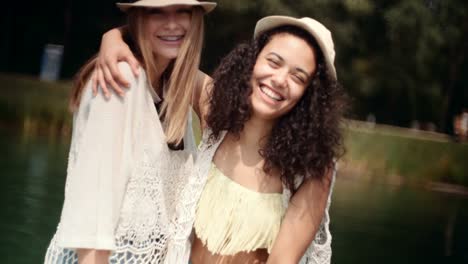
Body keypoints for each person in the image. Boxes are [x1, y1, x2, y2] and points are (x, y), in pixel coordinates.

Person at [97, 15, 346, 264]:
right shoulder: (216, 109)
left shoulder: (312, 167)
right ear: (253, 61)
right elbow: (157, 52)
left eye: (298, 77)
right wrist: (113, 38)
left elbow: (283, 260)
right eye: (273, 62)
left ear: (309, 95)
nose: (280, 80)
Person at [44, 1, 217, 263]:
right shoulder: (120, 82)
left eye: (182, 11)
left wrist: (114, 36)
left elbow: (216, 96)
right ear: (138, 19)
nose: (172, 23)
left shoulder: (172, 81)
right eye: (156, 12)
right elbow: (93, 219)